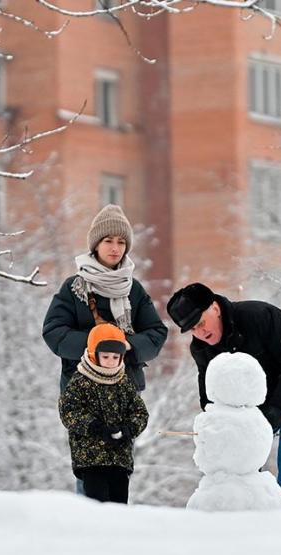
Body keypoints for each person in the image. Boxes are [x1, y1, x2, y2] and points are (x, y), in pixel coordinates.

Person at [166, 282, 281, 508]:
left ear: (215, 307)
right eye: (193, 329)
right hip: (256, 405)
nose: (200, 333)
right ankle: (250, 516)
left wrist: (279, 409)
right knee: (243, 457)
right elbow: (211, 393)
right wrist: (216, 425)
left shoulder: (260, 316)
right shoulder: (202, 348)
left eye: (201, 323)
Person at [43, 204, 167, 492]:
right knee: (88, 467)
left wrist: (127, 346)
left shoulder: (133, 289)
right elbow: (53, 332)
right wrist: (96, 344)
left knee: (118, 469)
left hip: (123, 390)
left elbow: (157, 333)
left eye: (121, 242)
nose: (115, 248)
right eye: (108, 241)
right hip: (82, 390)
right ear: (95, 244)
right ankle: (89, 526)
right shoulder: (74, 287)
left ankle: (116, 529)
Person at [59, 324, 149, 503]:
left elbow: (139, 412)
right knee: (97, 504)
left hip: (119, 460)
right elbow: (68, 410)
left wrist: (129, 428)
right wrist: (95, 428)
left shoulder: (124, 383)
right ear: (94, 354)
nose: (110, 361)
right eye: (105, 356)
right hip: (91, 459)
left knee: (119, 505)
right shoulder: (81, 381)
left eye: (115, 357)